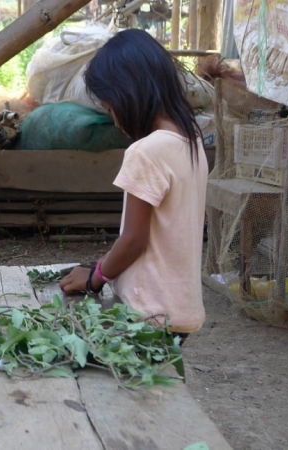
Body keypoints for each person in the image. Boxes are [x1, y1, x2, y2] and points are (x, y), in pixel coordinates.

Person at [59, 29, 208, 341]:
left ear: (127, 95)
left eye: (110, 109)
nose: (114, 121)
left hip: (148, 312)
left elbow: (134, 239)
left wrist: (95, 278)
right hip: (179, 309)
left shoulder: (146, 151)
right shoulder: (190, 140)